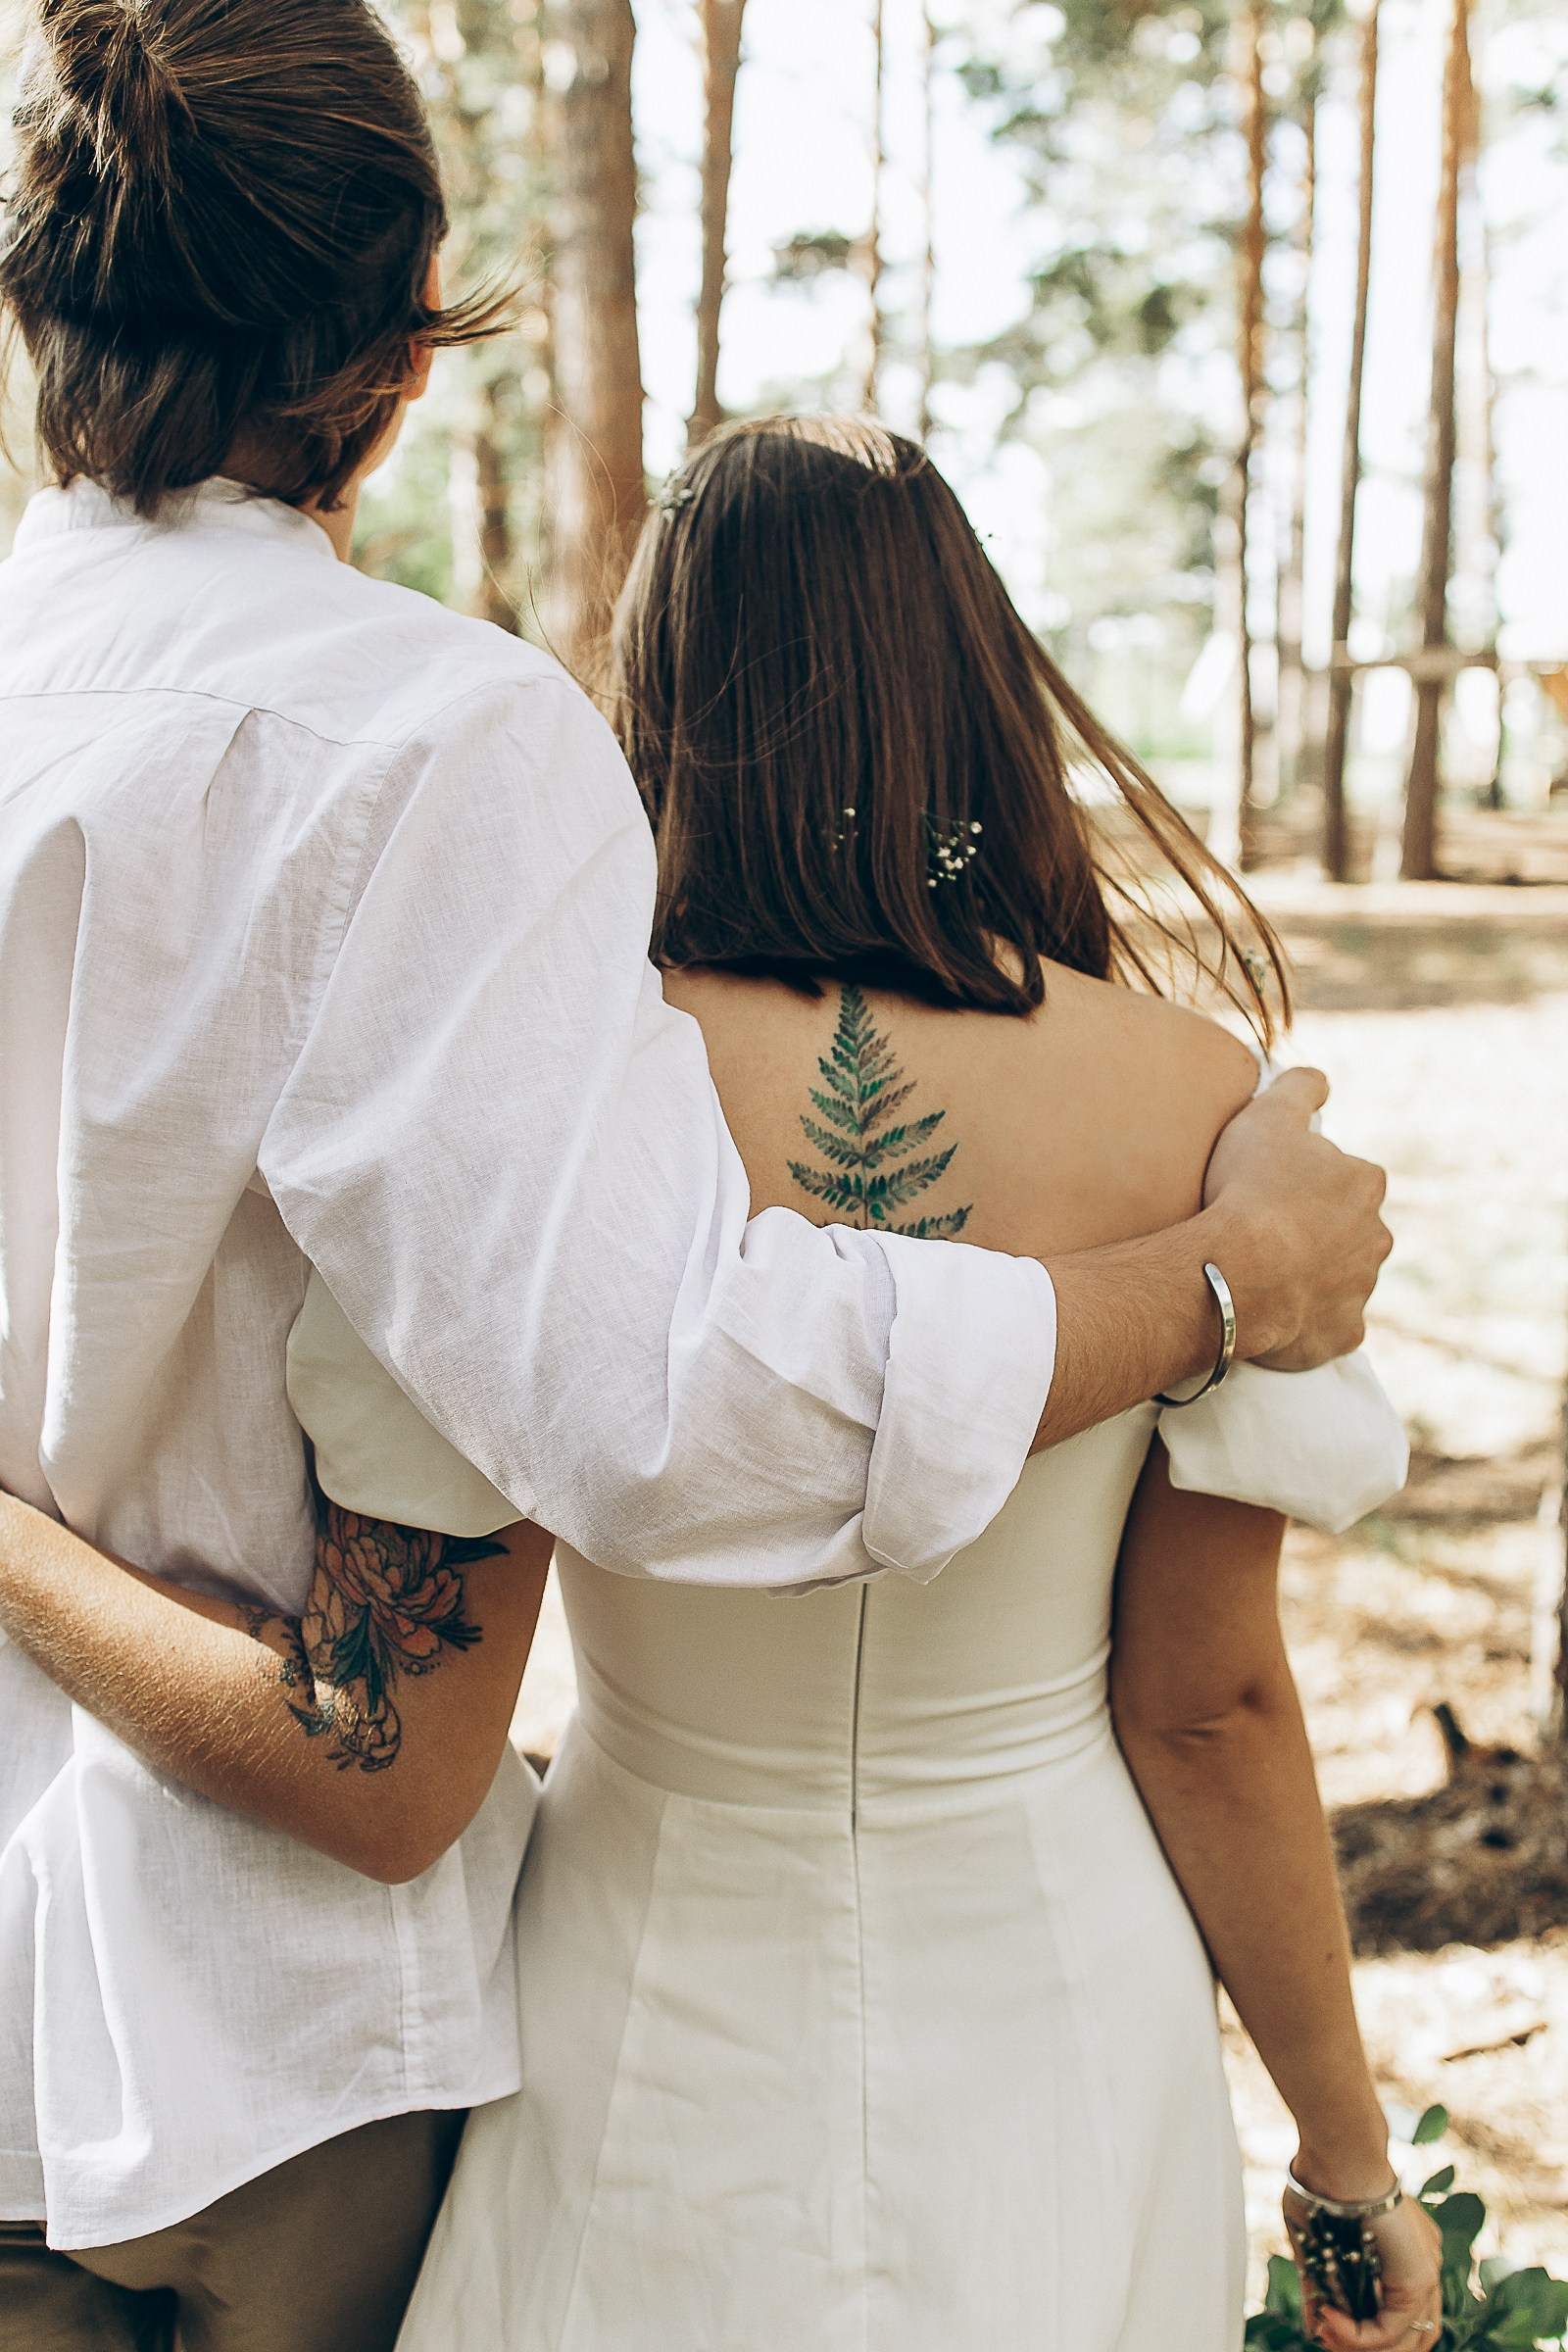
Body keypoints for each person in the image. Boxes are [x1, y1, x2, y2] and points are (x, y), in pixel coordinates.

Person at [0, 2, 1389, 2346]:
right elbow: (1186, 1693)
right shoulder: (1184, 1102)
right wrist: (1224, 1275)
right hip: (829, 2026)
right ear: (395, 354)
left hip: (627, 2006)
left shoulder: (605, 1022)